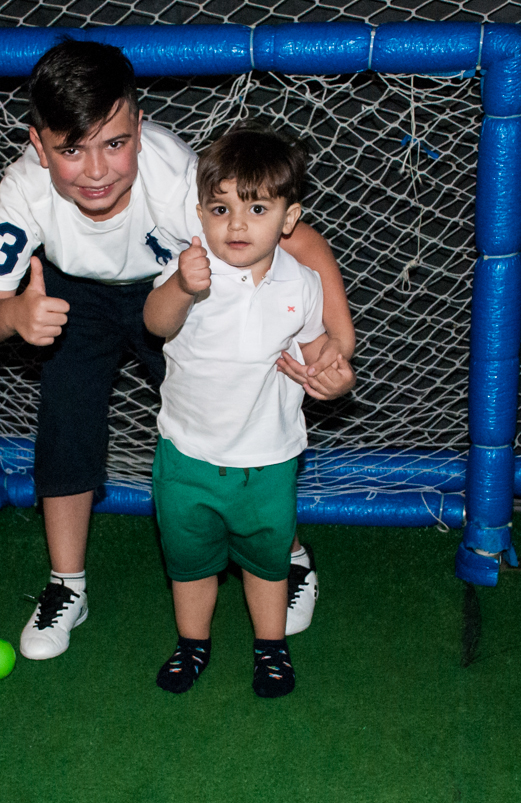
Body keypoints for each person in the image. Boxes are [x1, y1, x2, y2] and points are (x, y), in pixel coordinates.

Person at [0, 40, 355, 661]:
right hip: (73, 293)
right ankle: (68, 584)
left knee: (232, 414)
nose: (97, 170)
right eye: (70, 149)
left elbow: (299, 240)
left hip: (169, 287)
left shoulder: (172, 176)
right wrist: (13, 313)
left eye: (115, 143)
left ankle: (286, 553)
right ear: (39, 146)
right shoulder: (25, 189)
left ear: (140, 128)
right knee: (65, 417)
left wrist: (340, 340)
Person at [144, 121, 353, 697]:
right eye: (220, 208)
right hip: (187, 455)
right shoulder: (192, 270)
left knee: (266, 566)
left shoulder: (303, 285)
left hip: (269, 458)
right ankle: (192, 645)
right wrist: (182, 288)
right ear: (200, 213)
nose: (236, 224)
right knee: (190, 565)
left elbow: (318, 352)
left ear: (289, 219)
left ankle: (271, 648)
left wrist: (332, 378)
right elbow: (155, 324)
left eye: (257, 208)